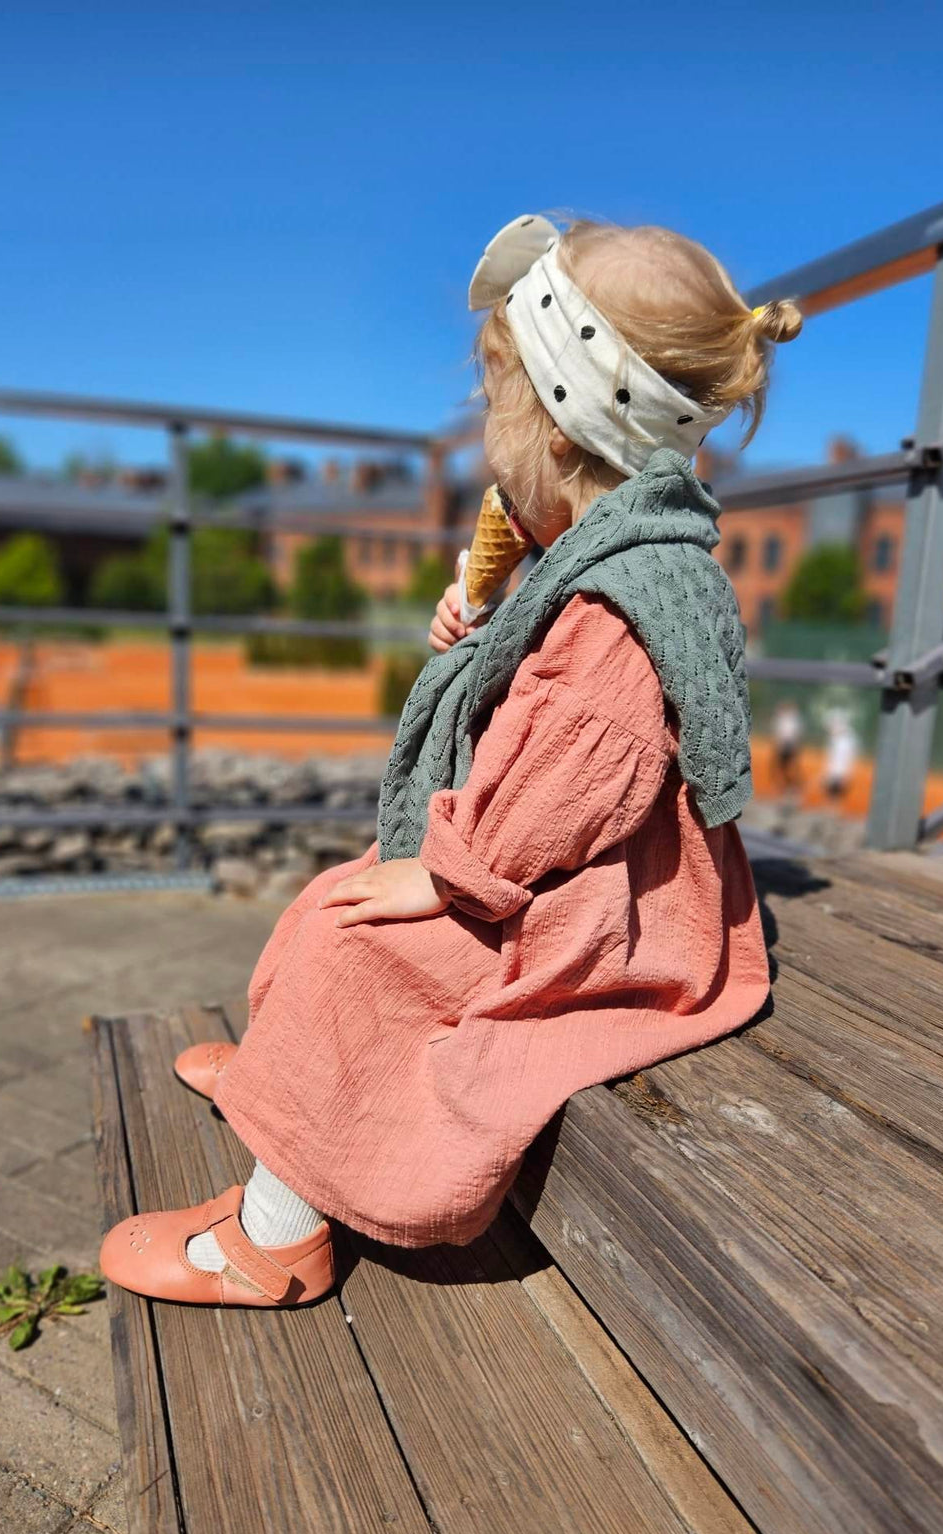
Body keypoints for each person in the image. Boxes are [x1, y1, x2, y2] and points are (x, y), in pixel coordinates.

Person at [100, 213, 800, 1307]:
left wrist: (442, 872)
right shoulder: (599, 551)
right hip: (549, 866)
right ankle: (298, 1092)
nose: (486, 429)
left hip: (593, 912)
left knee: (358, 949)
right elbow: (540, 720)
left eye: (497, 404)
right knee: (341, 894)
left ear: (561, 431)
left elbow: (566, 792)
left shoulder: (626, 609)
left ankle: (275, 1235)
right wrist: (480, 622)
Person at [771, 699, 804, 793]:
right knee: (782, 767)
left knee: (789, 768)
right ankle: (786, 786)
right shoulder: (782, 720)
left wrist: (792, 746)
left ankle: (793, 786)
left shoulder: (791, 720)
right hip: (784, 746)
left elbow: (793, 736)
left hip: (788, 746)